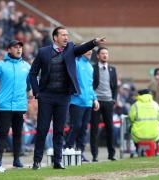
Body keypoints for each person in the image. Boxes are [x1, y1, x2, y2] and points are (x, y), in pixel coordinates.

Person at [29, 26, 106, 169]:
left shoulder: (70, 49)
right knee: (42, 129)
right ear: (55, 38)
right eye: (63, 35)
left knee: (59, 130)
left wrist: (94, 42)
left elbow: (82, 49)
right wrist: (36, 91)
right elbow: (32, 73)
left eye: (67, 35)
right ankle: (37, 161)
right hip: (46, 96)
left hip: (63, 97)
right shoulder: (43, 52)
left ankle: (57, 161)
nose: (66, 37)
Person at [0, 40, 31, 169]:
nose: (19, 50)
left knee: (18, 133)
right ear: (9, 49)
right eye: (15, 47)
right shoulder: (0, 65)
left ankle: (17, 160)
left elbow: (31, 83)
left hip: (20, 106)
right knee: (3, 133)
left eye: (20, 48)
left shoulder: (26, 66)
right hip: (4, 105)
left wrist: (31, 92)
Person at [64, 49, 99, 162]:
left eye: (91, 50)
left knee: (83, 129)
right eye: (87, 50)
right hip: (76, 101)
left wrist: (95, 99)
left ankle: (80, 152)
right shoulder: (76, 63)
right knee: (77, 126)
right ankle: (67, 148)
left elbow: (90, 86)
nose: (89, 52)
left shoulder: (90, 67)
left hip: (88, 103)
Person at [90, 47, 118, 162]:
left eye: (106, 53)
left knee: (110, 128)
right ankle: (94, 155)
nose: (105, 55)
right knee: (94, 129)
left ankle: (111, 154)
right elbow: (90, 85)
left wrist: (114, 100)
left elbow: (115, 86)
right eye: (102, 53)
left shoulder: (112, 69)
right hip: (96, 101)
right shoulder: (93, 68)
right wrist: (93, 99)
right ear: (98, 56)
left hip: (108, 102)